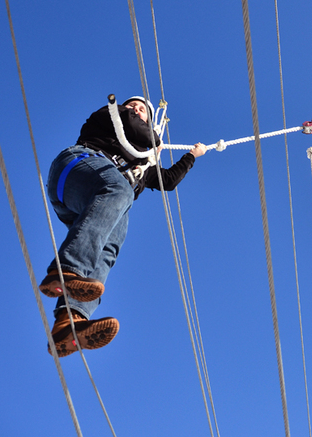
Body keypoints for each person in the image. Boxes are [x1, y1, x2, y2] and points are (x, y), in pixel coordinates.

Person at [38, 96, 207, 357]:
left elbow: (168, 181)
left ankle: (69, 322)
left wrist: (192, 156)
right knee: (120, 190)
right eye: (135, 106)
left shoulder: (142, 162)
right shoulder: (114, 115)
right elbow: (136, 128)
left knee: (111, 243)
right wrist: (155, 142)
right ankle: (67, 269)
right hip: (77, 167)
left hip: (89, 202)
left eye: (143, 110)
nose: (137, 109)